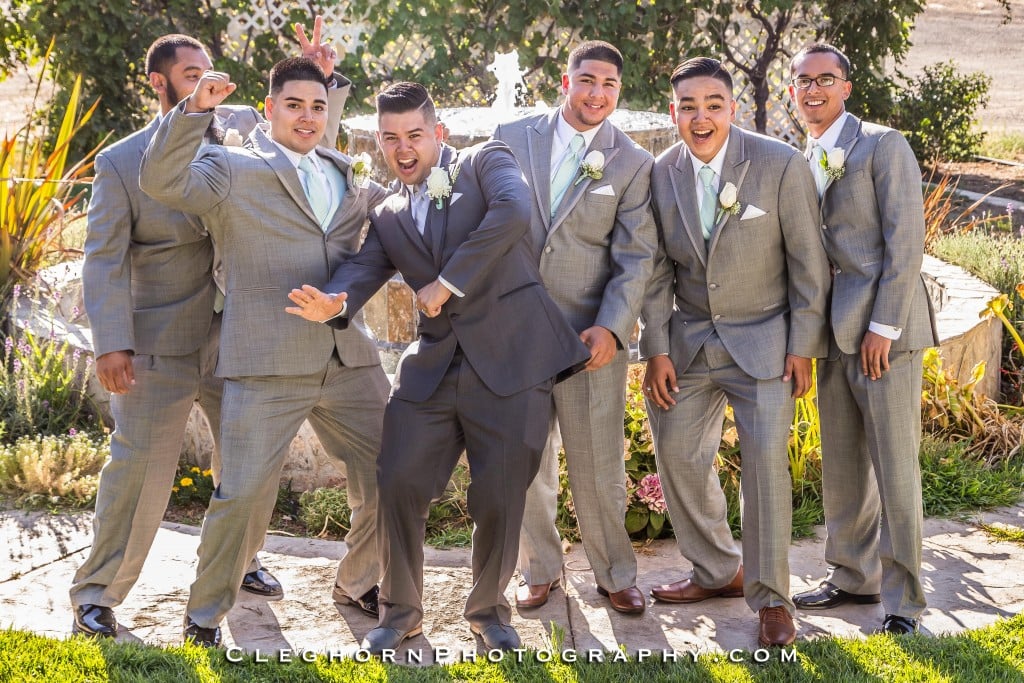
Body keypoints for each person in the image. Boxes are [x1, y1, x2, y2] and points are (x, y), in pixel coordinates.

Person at [285, 82, 591, 654]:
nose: (403, 150)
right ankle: (400, 613)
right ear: (378, 141)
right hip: (431, 372)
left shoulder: (485, 162)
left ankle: (489, 611)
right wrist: (336, 302)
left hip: (512, 364)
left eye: (414, 136)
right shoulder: (389, 213)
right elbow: (363, 268)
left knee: (500, 496)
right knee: (397, 479)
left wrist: (446, 283)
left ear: (439, 134)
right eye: (390, 139)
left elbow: (514, 210)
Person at [70, 20, 349, 639]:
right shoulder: (122, 163)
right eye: (193, 77)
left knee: (249, 465)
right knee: (138, 471)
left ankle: (241, 563)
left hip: (242, 339)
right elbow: (103, 259)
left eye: (209, 74)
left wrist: (321, 76)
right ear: (159, 84)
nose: (207, 86)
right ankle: (96, 592)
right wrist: (111, 342)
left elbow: (306, 129)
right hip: (158, 347)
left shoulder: (247, 132)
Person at [139, 56, 390, 646]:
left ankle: (358, 581)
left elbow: (375, 239)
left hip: (347, 359)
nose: (307, 117)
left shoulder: (343, 170)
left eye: (318, 107)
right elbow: (160, 181)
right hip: (267, 362)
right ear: (269, 107)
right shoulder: (230, 167)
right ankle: (204, 613)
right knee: (244, 492)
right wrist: (195, 108)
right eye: (294, 105)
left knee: (395, 471)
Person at [640, 57, 829, 647]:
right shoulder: (659, 172)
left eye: (713, 106)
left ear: (733, 109)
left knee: (767, 469)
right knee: (676, 454)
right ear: (674, 112)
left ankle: (773, 599)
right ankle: (719, 571)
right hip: (691, 342)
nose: (701, 118)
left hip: (767, 345)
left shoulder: (779, 164)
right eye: (688, 107)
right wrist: (656, 349)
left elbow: (809, 265)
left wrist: (803, 346)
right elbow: (654, 270)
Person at [492, 40, 656, 614]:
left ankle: (615, 573)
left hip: (589, 342)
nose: (597, 94)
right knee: (527, 461)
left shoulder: (632, 162)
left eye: (610, 85)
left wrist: (612, 328)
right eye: (588, 80)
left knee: (599, 466)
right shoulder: (512, 137)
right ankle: (541, 569)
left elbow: (636, 257)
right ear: (566, 82)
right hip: (514, 335)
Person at [788, 43, 938, 635]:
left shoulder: (882, 145)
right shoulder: (801, 155)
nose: (814, 90)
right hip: (830, 333)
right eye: (803, 81)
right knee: (844, 466)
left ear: (847, 87)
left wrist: (885, 326)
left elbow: (906, 243)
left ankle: (904, 601)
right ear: (792, 90)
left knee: (895, 468)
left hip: (884, 336)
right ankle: (852, 577)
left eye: (826, 79)